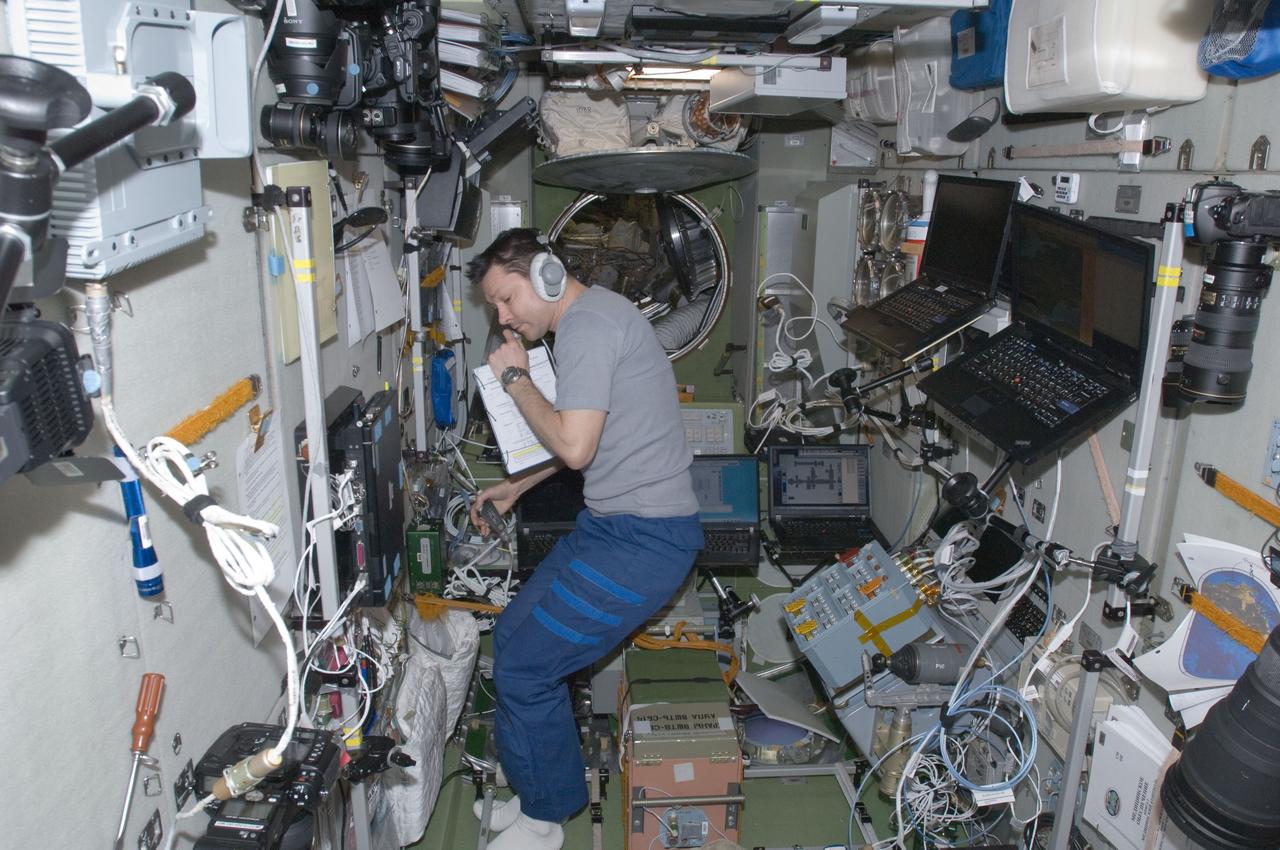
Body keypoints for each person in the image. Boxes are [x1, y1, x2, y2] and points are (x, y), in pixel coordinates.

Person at [465, 228, 704, 850]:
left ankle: (545, 822)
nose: (504, 317)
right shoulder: (590, 320)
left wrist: (515, 379)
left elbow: (574, 446)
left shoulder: (589, 327)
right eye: (495, 306)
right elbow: (584, 437)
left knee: (525, 670)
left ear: (546, 273)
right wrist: (516, 486)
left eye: (506, 298)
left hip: (644, 541)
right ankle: (536, 785)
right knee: (512, 637)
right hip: (610, 527)